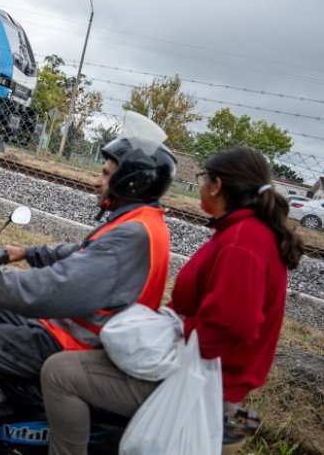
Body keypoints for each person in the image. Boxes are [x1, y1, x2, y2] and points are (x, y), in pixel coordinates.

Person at [40, 146, 305, 455]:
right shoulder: (243, 233)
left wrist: (179, 329)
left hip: (203, 382)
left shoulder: (241, 241)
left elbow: (233, 324)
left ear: (217, 185)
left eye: (204, 178)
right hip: (209, 374)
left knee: (59, 373)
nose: (202, 186)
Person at [0, 130, 177, 454]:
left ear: (129, 181)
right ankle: (20, 410)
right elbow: (84, 252)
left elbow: (51, 290)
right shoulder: (143, 222)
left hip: (78, 341)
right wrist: (28, 252)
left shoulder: (129, 235)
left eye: (105, 174)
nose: (96, 181)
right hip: (91, 330)